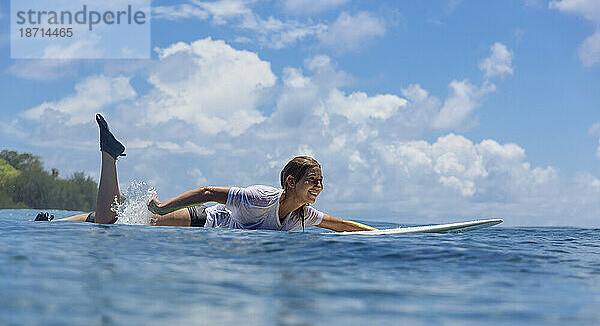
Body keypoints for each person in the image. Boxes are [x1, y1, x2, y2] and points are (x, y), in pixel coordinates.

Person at [36, 114, 376, 232]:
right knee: (118, 223)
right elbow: (207, 191)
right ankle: (109, 156)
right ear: (290, 182)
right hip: (204, 219)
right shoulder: (263, 197)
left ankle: (52, 226)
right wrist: (162, 207)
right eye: (312, 180)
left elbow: (341, 225)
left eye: (320, 181)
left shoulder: (303, 216)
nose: (319, 186)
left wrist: (385, 234)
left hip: (205, 225)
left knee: (115, 219)